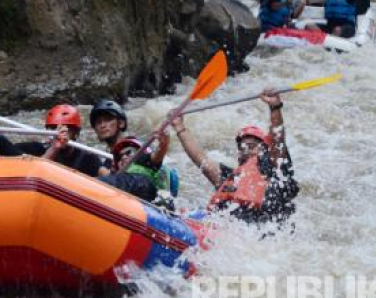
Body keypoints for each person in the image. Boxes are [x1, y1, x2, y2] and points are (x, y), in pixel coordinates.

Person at [170, 91, 298, 226]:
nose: (245, 150)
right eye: (242, 147)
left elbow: (277, 140)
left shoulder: (275, 169)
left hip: (261, 232)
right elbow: (201, 159)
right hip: (226, 230)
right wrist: (179, 126)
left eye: (251, 146)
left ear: (265, 149)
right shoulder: (231, 177)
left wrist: (275, 108)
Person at [16, 104, 102, 177]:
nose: (59, 131)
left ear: (76, 133)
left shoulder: (89, 159)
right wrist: (54, 149)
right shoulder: (34, 149)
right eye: (54, 128)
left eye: (65, 128)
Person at [97, 134, 172, 204]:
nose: (123, 157)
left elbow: (157, 156)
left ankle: (94, 184)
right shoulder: (119, 177)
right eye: (119, 157)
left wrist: (163, 145)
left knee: (130, 181)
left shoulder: (146, 161)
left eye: (129, 152)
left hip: (146, 190)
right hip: (129, 198)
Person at [89, 99, 128, 174]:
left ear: (121, 123)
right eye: (98, 122)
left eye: (108, 119)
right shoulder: (108, 159)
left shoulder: (132, 148)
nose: (102, 125)